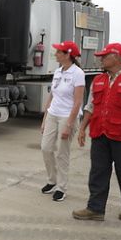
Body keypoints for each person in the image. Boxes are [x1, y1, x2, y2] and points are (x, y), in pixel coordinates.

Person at [73, 42, 121, 221]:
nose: (100, 59)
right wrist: (83, 128)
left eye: (104, 56)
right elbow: (90, 107)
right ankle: (95, 209)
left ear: (115, 57)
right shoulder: (99, 80)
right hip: (100, 134)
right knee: (98, 172)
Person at [40, 41, 85, 202]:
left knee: (62, 153)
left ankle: (61, 187)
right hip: (53, 114)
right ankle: (52, 181)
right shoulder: (58, 71)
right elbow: (52, 96)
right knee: (46, 148)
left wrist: (69, 124)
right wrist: (45, 119)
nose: (56, 53)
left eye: (59, 51)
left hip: (67, 116)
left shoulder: (78, 73)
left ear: (68, 55)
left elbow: (78, 101)